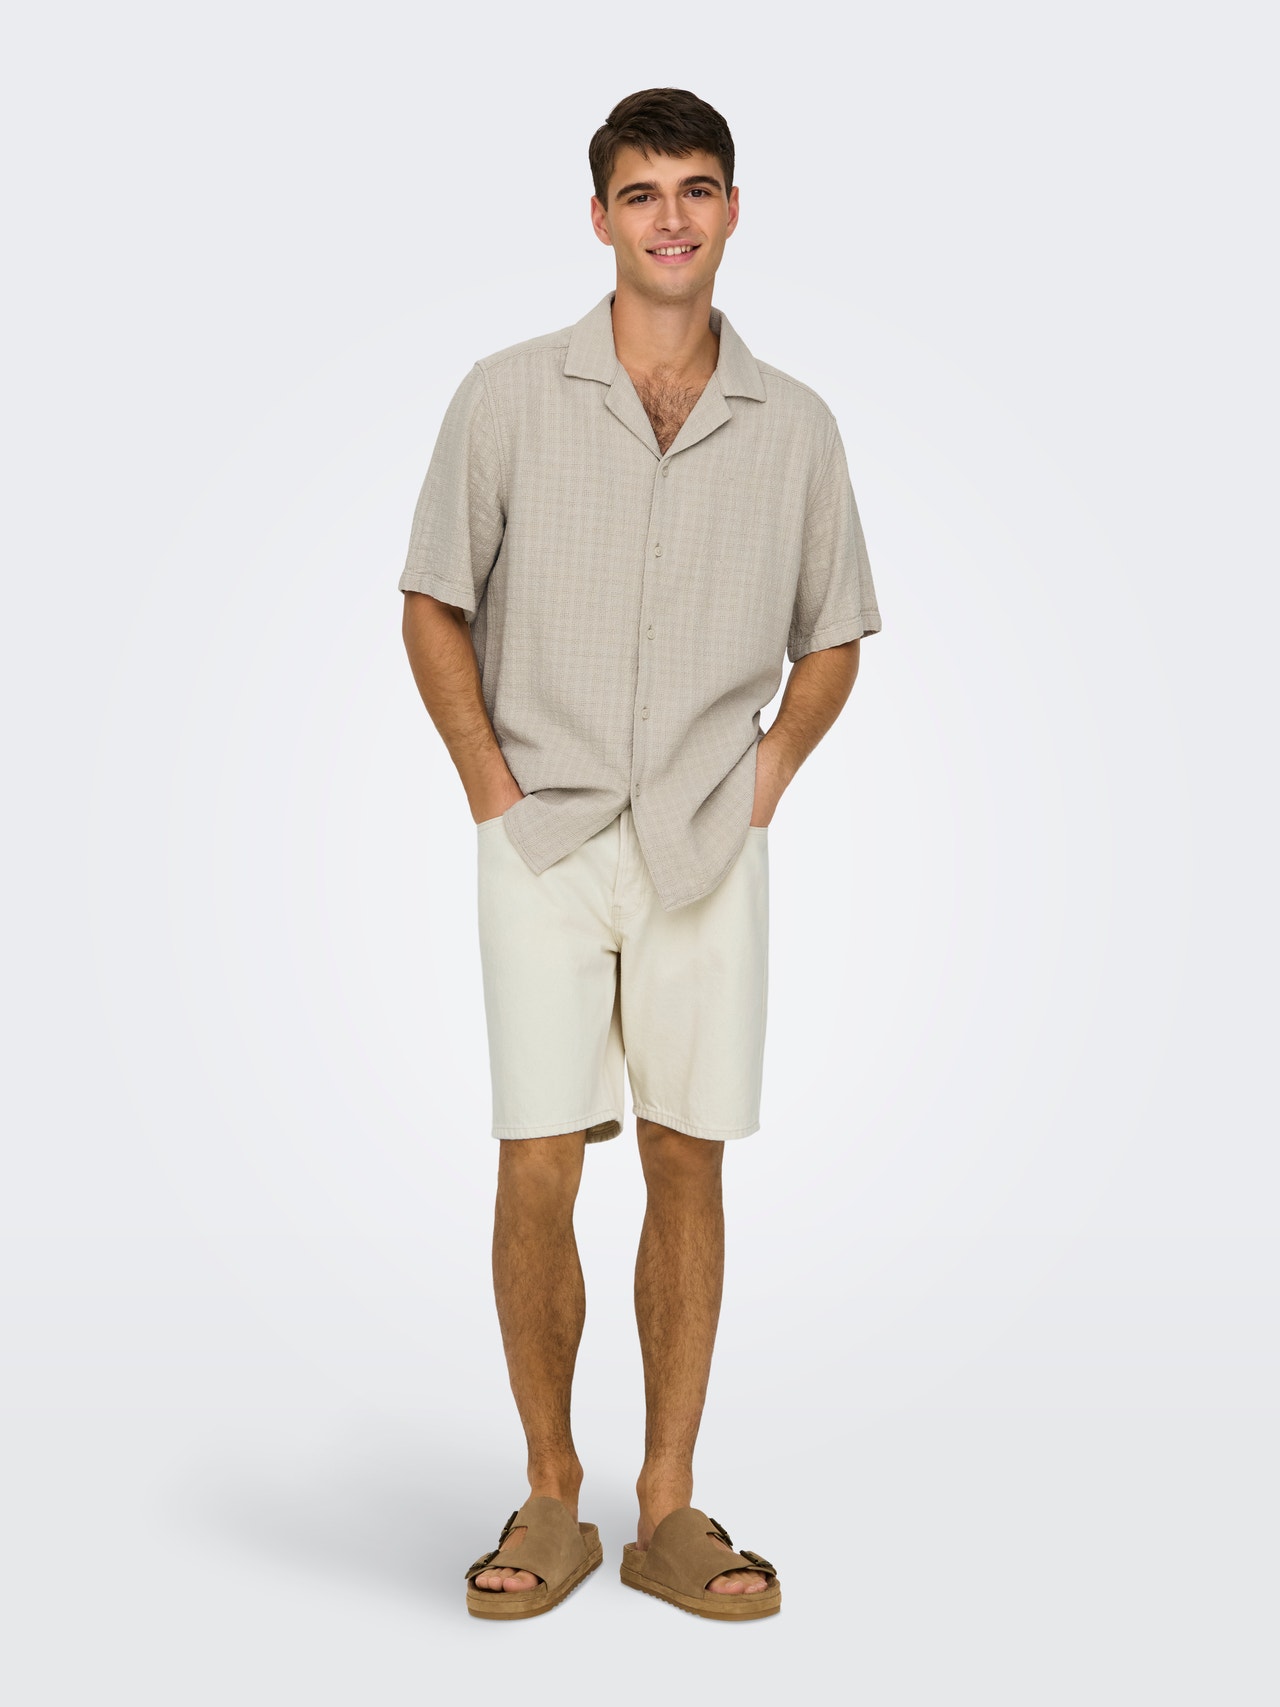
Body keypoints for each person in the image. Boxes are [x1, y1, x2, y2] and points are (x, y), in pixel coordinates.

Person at [399, 87, 881, 1623]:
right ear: (599, 216)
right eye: (642, 190)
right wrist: (489, 787)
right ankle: (553, 1494)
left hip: (705, 841)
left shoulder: (795, 425)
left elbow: (835, 633)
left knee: (688, 1155)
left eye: (697, 187)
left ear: (733, 211)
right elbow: (431, 600)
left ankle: (667, 1505)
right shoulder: (505, 397)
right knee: (538, 1158)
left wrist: (767, 777)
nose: (671, 216)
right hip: (540, 833)